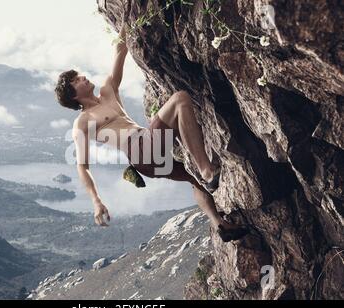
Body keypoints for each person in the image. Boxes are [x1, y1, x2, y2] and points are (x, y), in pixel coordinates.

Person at [54, 11, 248, 243]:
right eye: (76, 80)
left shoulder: (108, 91)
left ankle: (219, 224)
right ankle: (207, 170)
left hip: (149, 156)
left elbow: (120, 49)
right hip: (139, 152)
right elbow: (82, 167)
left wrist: (126, 14)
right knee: (180, 98)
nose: (83, 77)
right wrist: (96, 201)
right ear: (73, 96)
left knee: (192, 180)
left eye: (79, 75)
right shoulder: (83, 123)